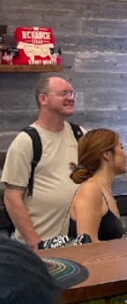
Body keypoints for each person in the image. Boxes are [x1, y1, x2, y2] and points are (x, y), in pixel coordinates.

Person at [1, 75, 84, 248]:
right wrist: (35, 243)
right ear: (43, 99)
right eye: (63, 93)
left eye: (71, 93)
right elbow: (12, 197)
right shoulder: (27, 141)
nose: (70, 98)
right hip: (41, 246)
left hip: (78, 244)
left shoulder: (80, 135)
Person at [68, 129, 127, 242]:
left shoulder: (105, 191)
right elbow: (87, 245)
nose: (126, 155)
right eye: (121, 148)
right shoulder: (90, 190)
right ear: (107, 154)